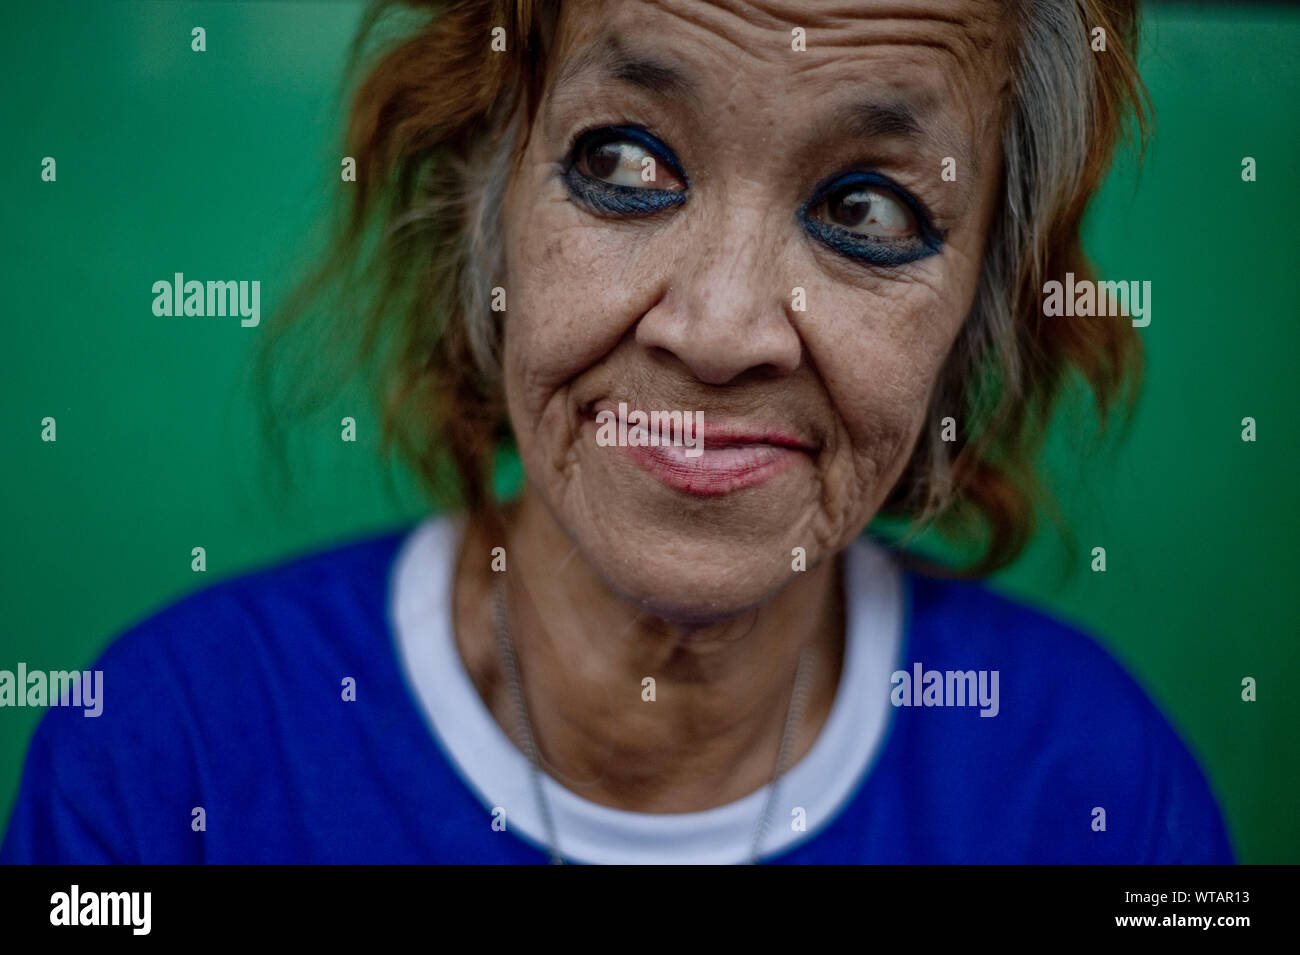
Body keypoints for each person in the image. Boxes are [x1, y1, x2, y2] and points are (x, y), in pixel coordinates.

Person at [1, 0, 1233, 864]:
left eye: (865, 206)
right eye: (626, 161)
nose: (717, 327)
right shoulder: (167, 764)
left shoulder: (1096, 797)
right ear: (482, 212)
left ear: (976, 313)